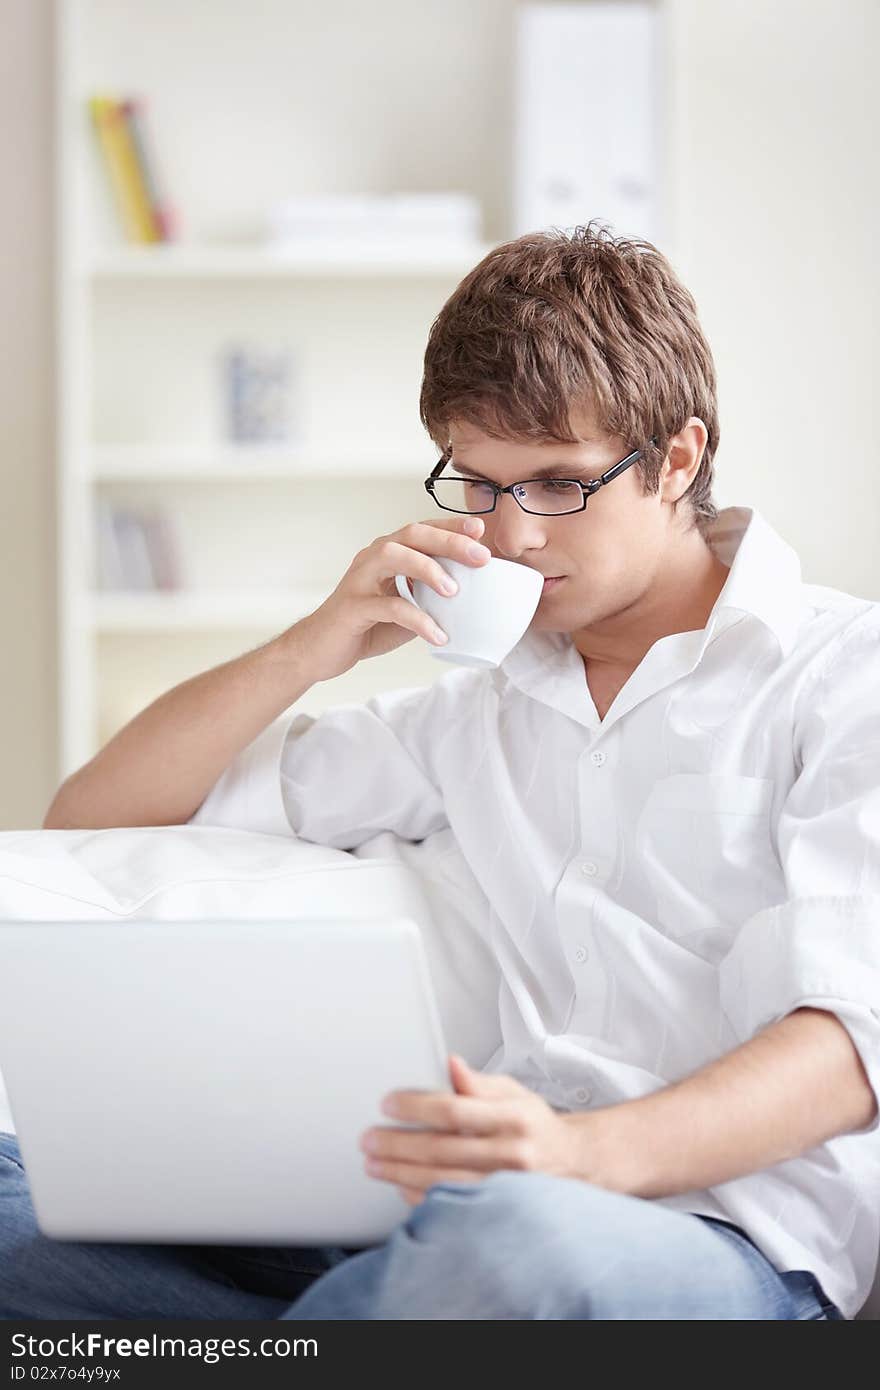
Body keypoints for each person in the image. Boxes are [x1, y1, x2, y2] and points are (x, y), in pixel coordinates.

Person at [8, 223, 878, 1320]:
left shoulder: (843, 677)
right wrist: (316, 642)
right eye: (476, 482)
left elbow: (852, 1046)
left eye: (557, 484)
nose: (509, 535)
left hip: (718, 1239)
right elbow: (95, 816)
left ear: (677, 460)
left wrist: (575, 1153)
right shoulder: (476, 709)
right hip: (451, 1213)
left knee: (512, 1247)